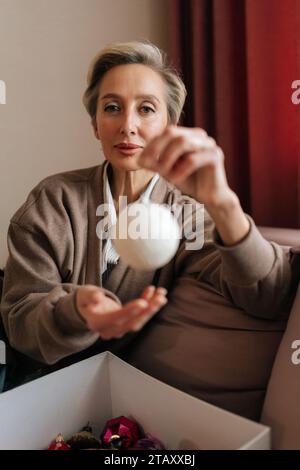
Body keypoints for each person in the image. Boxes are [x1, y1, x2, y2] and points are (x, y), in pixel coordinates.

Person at [0, 41, 296, 419]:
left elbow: (269, 294)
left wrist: (223, 202)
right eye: (111, 108)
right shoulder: (53, 199)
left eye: (146, 109)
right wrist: (78, 311)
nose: (128, 125)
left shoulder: (188, 215)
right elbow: (21, 324)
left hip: (113, 404)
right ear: (95, 124)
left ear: (169, 126)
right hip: (30, 389)